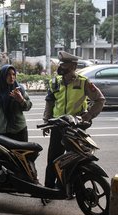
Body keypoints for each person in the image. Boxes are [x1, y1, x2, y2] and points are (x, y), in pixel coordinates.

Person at [43, 51, 106, 189]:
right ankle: (48, 188)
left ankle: (67, 187)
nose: (60, 67)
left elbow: (100, 100)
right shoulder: (55, 82)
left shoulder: (83, 83)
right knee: (53, 159)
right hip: (58, 126)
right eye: (60, 64)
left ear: (73, 66)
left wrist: (88, 116)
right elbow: (49, 102)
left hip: (75, 128)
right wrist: (46, 121)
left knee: (73, 159)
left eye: (64, 64)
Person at [0, 65, 32, 142]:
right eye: (8, 74)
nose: (12, 77)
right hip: (3, 132)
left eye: (13, 74)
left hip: (20, 130)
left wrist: (21, 100)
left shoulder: (19, 90)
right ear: (2, 76)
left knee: (22, 154)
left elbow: (28, 106)